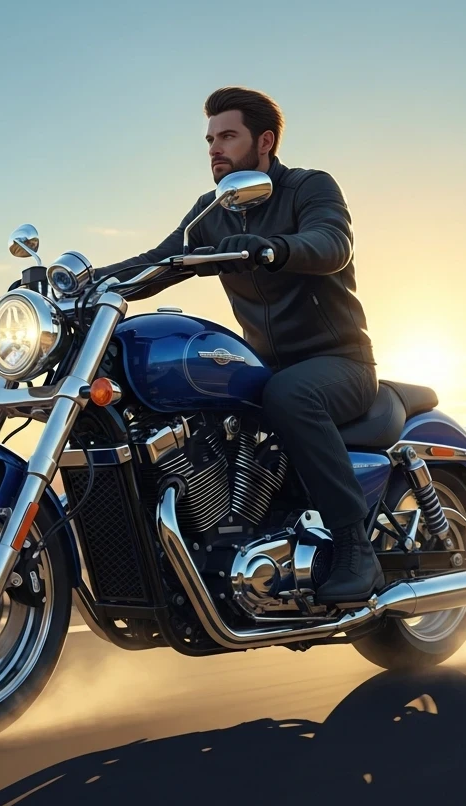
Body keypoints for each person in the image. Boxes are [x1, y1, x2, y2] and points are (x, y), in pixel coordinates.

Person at [98, 86, 383, 604]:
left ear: (265, 142)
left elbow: (332, 243)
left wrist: (272, 248)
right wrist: (81, 284)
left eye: (227, 136)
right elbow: (157, 262)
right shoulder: (212, 212)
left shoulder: (308, 187)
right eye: (210, 139)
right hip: (264, 367)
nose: (214, 148)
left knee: (289, 395)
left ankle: (354, 548)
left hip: (339, 362)